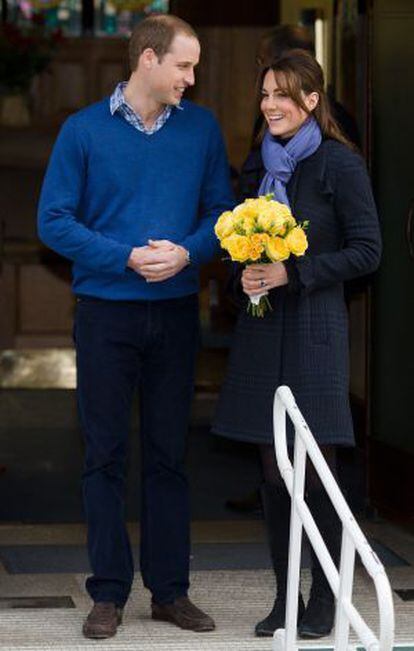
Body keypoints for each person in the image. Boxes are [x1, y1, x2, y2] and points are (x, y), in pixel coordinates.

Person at [38, 14, 233, 639]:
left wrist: (189, 253)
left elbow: (221, 214)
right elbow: (53, 222)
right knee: (104, 457)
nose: (192, 77)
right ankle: (109, 593)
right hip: (104, 315)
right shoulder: (82, 131)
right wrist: (122, 256)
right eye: (183, 65)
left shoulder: (201, 129)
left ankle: (170, 592)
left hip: (176, 314)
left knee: (170, 456)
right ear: (147, 60)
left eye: (195, 66)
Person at [213, 49, 381, 639]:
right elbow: (234, 248)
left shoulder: (340, 164)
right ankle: (286, 596)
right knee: (271, 464)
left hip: (315, 328)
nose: (271, 106)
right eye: (264, 95)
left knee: (316, 469)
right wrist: (246, 277)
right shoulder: (257, 164)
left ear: (312, 100)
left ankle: (329, 600)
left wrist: (293, 271)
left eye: (283, 95)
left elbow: (368, 250)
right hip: (263, 329)